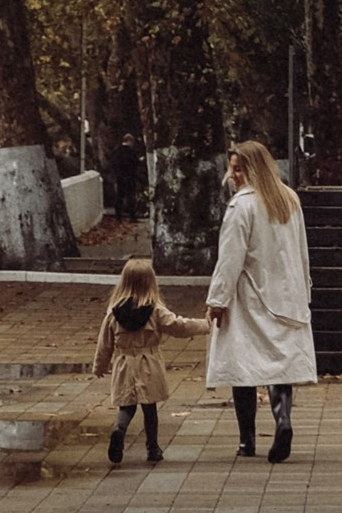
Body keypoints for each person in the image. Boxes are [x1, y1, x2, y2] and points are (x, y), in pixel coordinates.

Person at [206, 139, 316, 461]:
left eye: (238, 169)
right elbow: (302, 251)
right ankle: (283, 420)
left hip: (249, 296)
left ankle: (246, 441)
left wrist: (217, 300)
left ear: (253, 168)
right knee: (279, 366)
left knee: (243, 366)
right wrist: (304, 290)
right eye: (232, 168)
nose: (233, 175)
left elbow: (230, 258)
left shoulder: (242, 206)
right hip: (286, 295)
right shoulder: (289, 199)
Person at [92, 257, 207, 463]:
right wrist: (206, 325)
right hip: (149, 362)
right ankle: (152, 449)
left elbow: (105, 342)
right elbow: (179, 326)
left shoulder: (113, 314)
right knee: (149, 407)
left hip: (124, 363)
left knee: (126, 406)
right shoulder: (155, 311)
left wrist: (99, 365)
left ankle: (119, 429)